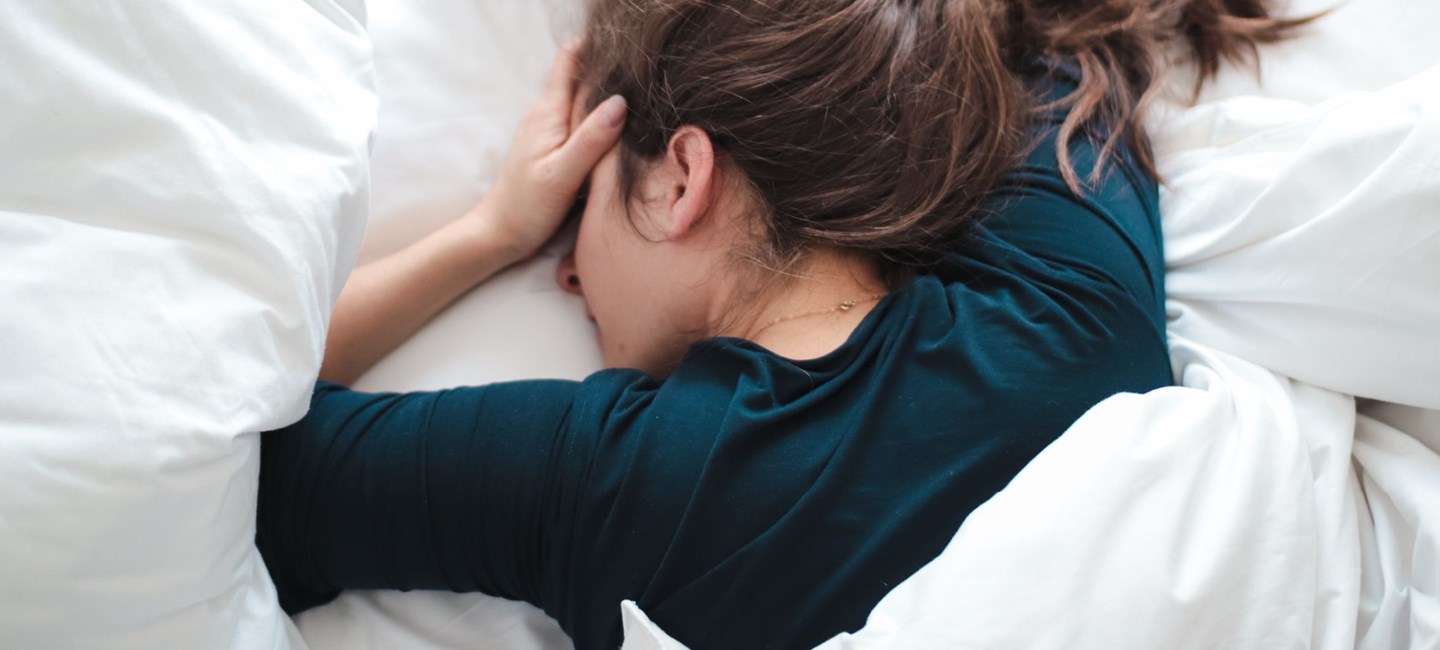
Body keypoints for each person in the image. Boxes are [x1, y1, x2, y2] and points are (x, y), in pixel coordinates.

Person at [257, 1, 1313, 648]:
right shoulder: (1068, 312)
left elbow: (240, 449)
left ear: (681, 177)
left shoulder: (613, 484)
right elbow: (1047, 38)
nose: (567, 270)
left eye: (579, 213)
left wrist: (487, 232)